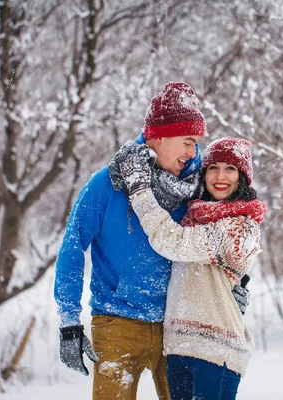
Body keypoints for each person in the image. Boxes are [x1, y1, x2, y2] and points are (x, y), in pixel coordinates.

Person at [55, 82, 213, 400]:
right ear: (158, 137)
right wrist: (69, 319)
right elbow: (72, 246)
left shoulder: (197, 187)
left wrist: (236, 286)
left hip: (178, 323)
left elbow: (218, 242)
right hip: (118, 323)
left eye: (196, 144)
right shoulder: (107, 184)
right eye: (187, 142)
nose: (192, 153)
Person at [118, 137, 267, 400]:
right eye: (213, 167)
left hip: (216, 350)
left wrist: (140, 188)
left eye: (230, 169)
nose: (221, 176)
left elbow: (171, 241)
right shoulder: (194, 217)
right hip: (179, 348)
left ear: (242, 177)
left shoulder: (241, 227)